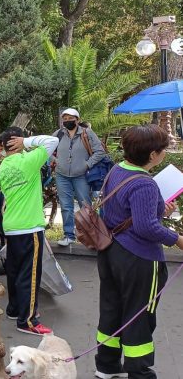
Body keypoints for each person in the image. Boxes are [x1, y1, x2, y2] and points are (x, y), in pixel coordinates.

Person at [95, 124, 183, 379]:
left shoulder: (117, 170)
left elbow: (121, 212)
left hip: (111, 251)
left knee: (111, 308)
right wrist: (176, 239)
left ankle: (106, 366)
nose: (164, 153)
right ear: (153, 154)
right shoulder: (145, 184)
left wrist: (157, 210)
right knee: (140, 314)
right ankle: (139, 371)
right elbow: (146, 228)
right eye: (163, 149)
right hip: (140, 258)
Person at [0, 127, 58, 336]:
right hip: (29, 227)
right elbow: (52, 141)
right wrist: (28, 141)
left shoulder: (4, 166)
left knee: (14, 272)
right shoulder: (29, 162)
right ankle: (28, 320)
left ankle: (14, 309)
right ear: (18, 141)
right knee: (29, 275)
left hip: (11, 227)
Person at [52, 107, 106, 247]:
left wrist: (87, 164)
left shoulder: (87, 133)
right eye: (65, 119)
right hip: (61, 175)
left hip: (81, 176)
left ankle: (91, 236)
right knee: (65, 206)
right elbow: (46, 149)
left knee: (85, 206)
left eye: (71, 118)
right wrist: (54, 160)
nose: (67, 121)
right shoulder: (58, 134)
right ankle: (68, 235)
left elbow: (100, 151)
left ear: (78, 120)